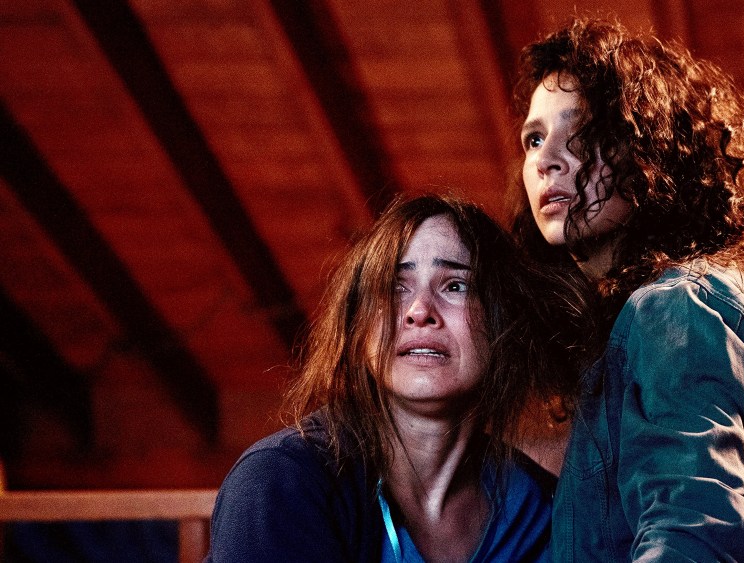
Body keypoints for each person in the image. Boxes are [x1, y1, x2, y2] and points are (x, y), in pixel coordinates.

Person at [510, 16, 744, 562]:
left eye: (581, 133)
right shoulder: (684, 303)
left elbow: (691, 539)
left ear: (648, 150)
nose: (545, 159)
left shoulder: (678, 305)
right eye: (533, 138)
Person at [207, 194, 587, 562]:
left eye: (455, 285)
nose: (419, 311)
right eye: (394, 288)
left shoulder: (540, 506)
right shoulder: (279, 483)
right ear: (358, 327)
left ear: (504, 321)